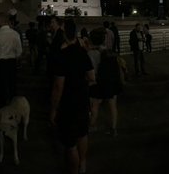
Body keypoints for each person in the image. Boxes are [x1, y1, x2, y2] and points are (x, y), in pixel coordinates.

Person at [49, 19, 94, 174]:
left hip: (68, 103)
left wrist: (54, 109)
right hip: (82, 100)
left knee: (70, 143)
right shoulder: (83, 53)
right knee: (82, 134)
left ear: (64, 35)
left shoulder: (62, 55)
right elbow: (92, 77)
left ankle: (74, 170)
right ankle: (83, 163)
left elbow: (58, 86)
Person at [88, 28, 123, 136]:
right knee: (112, 106)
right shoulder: (108, 51)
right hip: (110, 82)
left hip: (97, 82)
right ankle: (113, 128)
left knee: (95, 105)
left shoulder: (90, 53)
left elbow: (91, 71)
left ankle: (92, 125)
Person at [0, 15, 23, 105]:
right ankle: (13, 106)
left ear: (1, 22)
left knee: (2, 86)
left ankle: (3, 106)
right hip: (12, 62)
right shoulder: (15, 34)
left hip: (1, 63)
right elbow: (19, 51)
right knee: (12, 85)